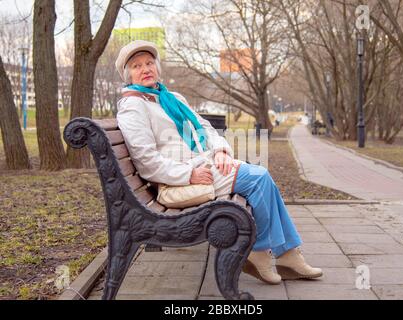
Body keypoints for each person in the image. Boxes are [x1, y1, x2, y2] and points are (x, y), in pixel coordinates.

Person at [115, 40, 322, 285]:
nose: (146, 68)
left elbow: (203, 127)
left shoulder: (170, 98)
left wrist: (221, 151)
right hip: (180, 179)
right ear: (128, 75)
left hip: (205, 163)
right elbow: (146, 161)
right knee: (258, 179)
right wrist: (188, 174)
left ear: (158, 67)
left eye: (149, 62)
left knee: (261, 177)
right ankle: (265, 253)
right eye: (137, 66)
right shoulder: (134, 107)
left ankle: (285, 255)